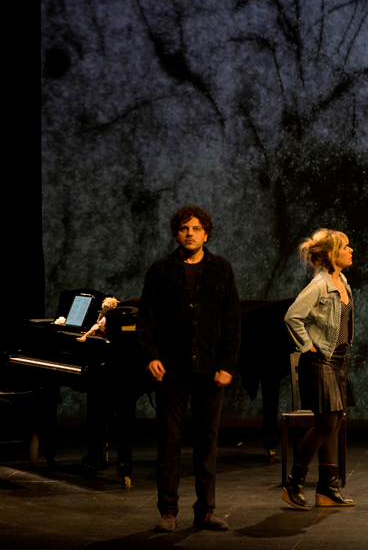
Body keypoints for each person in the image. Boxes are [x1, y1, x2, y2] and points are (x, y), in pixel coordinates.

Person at [138, 205, 242, 532]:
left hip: (210, 371)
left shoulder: (221, 269)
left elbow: (232, 323)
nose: (190, 233)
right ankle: (168, 512)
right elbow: (146, 320)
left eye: (196, 228)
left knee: (206, 442)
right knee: (169, 442)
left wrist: (226, 365)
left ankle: (205, 511)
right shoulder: (160, 270)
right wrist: (151, 356)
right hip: (172, 370)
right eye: (184, 228)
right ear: (176, 233)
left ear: (206, 234)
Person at [281, 229, 358, 509]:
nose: (351, 251)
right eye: (345, 247)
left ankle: (327, 488)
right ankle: (294, 483)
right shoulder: (319, 284)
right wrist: (307, 345)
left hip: (338, 360)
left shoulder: (342, 281)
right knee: (325, 423)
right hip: (321, 360)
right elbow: (292, 316)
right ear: (331, 254)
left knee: (334, 423)